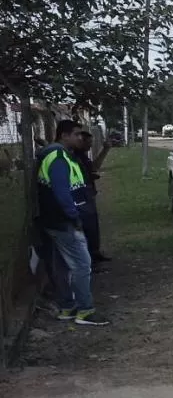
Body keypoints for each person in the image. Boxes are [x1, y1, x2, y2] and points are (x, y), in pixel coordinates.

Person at [36, 120, 109, 326]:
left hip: (56, 220)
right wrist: (74, 217)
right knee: (82, 265)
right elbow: (62, 193)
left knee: (62, 266)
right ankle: (85, 311)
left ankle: (67, 307)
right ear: (64, 135)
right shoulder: (58, 158)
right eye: (76, 134)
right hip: (64, 221)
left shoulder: (63, 156)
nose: (80, 138)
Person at [75, 130, 112, 265]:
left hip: (89, 194)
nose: (90, 146)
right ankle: (90, 259)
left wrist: (105, 149)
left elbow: (94, 168)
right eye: (88, 143)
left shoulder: (83, 157)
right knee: (87, 228)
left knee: (93, 227)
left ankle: (95, 253)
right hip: (82, 197)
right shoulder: (75, 157)